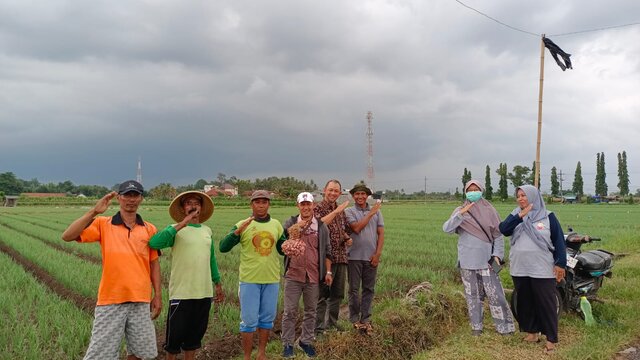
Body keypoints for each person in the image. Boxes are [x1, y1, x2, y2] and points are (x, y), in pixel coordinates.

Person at [61, 180, 161, 360]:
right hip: (111, 300)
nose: (131, 200)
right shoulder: (103, 224)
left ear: (141, 199)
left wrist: (158, 295)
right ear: (119, 198)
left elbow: (154, 264)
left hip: (140, 299)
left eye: (135, 195)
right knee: (101, 355)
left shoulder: (149, 229)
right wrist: (94, 211)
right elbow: (67, 236)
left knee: (142, 353)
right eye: (127, 195)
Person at [149, 191, 225, 360]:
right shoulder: (175, 230)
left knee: (194, 339)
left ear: (201, 207)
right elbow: (154, 243)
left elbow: (210, 258)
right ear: (183, 209)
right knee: (173, 341)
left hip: (204, 293)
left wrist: (217, 282)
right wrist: (183, 223)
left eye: (196, 203)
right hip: (182, 293)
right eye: (188, 203)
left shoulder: (207, 230)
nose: (193, 206)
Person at [442, 180, 515, 336]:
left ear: (481, 190)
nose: (473, 192)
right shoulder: (459, 210)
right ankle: (476, 327)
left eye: (476, 189)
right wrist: (461, 215)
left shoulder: (490, 210)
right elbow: (447, 229)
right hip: (467, 261)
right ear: (465, 191)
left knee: (496, 295)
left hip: (487, 261)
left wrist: (497, 256)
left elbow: (498, 235)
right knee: (472, 296)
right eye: (470, 189)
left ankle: (505, 327)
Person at [499, 185, 566, 354]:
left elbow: (559, 242)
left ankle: (551, 339)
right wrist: (520, 216)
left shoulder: (548, 216)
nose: (521, 198)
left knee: (546, 303)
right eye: (518, 196)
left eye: (524, 195)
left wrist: (560, 264)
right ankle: (532, 333)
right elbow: (503, 230)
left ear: (534, 197)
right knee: (525, 302)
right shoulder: (515, 214)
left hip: (542, 268)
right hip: (520, 268)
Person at [219, 190, 286, 360]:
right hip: (249, 280)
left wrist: (292, 242)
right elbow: (223, 247)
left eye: (264, 202)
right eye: (257, 202)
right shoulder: (243, 224)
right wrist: (237, 232)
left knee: (267, 319)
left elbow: (281, 249)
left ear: (269, 204)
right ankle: (247, 356)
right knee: (248, 322)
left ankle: (261, 353)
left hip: (271, 280)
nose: (261, 205)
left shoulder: (277, 225)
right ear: (251, 204)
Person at [281, 192, 333, 358]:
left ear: (313, 206)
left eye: (308, 204)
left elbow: (327, 251)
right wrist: (296, 230)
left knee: (311, 311)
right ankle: (288, 344)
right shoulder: (290, 222)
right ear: (298, 206)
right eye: (302, 204)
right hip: (293, 275)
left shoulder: (321, 226)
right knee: (290, 311)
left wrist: (328, 271)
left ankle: (306, 341)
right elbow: (281, 244)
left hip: (313, 275)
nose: (305, 207)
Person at [344, 183, 384, 334]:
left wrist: (377, 254)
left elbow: (381, 233)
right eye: (357, 194)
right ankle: (354, 318)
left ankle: (365, 318)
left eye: (363, 194)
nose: (360, 196)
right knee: (353, 289)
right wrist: (371, 212)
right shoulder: (349, 212)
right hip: (353, 256)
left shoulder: (377, 213)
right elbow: (357, 228)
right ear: (353, 196)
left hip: (370, 257)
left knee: (368, 289)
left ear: (367, 196)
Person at [314, 179, 352, 334]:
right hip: (324, 259)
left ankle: (332, 324)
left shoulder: (340, 209)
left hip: (341, 256)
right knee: (322, 294)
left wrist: (346, 237)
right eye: (330, 190)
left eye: (336, 191)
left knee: (337, 293)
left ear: (340, 193)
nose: (333, 193)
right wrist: (336, 211)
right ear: (324, 190)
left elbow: (340, 229)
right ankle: (318, 329)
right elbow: (319, 225)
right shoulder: (318, 208)